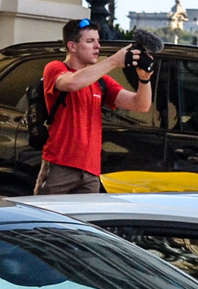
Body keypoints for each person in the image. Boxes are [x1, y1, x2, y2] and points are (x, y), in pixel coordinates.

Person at [35, 17, 153, 195]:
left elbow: (140, 105)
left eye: (98, 41)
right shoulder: (55, 68)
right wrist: (114, 60)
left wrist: (145, 78)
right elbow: (72, 83)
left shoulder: (101, 81)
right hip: (60, 165)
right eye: (90, 41)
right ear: (72, 46)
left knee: (85, 222)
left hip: (90, 171)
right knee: (48, 220)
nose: (97, 46)